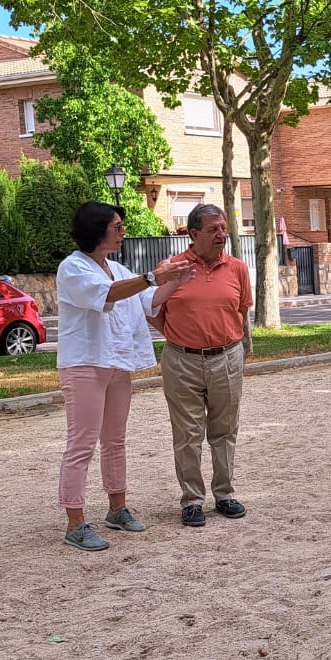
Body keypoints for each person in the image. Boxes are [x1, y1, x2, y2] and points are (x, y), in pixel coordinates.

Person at [56, 202, 193, 551]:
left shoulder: (116, 267)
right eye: (118, 226)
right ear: (98, 229)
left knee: (115, 440)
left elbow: (148, 302)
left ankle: (117, 508)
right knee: (81, 444)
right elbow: (106, 296)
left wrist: (176, 281)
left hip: (117, 362)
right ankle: (75, 523)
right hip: (85, 364)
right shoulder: (72, 268)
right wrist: (150, 277)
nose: (123, 232)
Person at [153, 203, 252, 527]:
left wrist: (242, 348)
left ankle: (224, 495)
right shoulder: (171, 267)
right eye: (213, 229)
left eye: (223, 228)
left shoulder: (237, 268)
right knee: (187, 433)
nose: (221, 234)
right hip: (182, 361)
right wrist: (176, 337)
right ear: (193, 234)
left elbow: (242, 310)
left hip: (227, 357)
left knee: (225, 430)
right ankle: (192, 501)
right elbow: (152, 310)